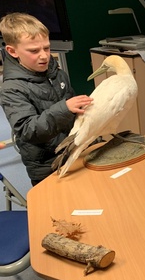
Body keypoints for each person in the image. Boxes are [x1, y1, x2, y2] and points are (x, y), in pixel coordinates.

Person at [0, 13, 93, 185]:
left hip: (73, 152)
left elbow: (72, 108)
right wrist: (64, 109)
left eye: (47, 48)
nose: (44, 56)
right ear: (12, 51)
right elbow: (26, 130)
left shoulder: (56, 72)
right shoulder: (11, 89)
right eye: (34, 51)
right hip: (47, 166)